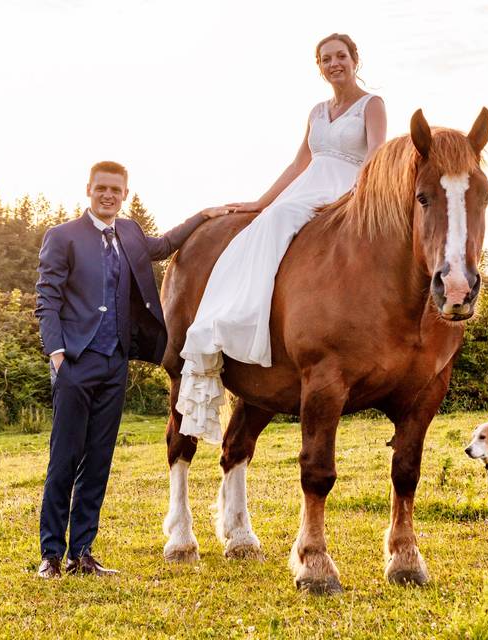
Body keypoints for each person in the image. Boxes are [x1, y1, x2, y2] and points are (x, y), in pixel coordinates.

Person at [176, 33, 387, 444]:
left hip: (349, 188)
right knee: (269, 219)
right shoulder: (317, 111)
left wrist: (354, 198)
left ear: (355, 59)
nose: (334, 64)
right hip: (310, 186)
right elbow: (299, 163)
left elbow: (377, 154)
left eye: (341, 56)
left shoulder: (372, 105)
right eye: (326, 59)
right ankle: (239, 311)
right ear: (319, 66)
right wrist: (259, 202)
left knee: (283, 216)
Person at [34, 161, 229, 578]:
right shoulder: (63, 237)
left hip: (114, 363)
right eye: (102, 188)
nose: (109, 195)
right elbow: (46, 297)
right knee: (64, 459)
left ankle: (81, 554)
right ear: (89, 189)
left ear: (124, 194)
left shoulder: (130, 233)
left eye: (116, 190)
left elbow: (165, 244)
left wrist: (205, 215)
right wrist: (56, 354)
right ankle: (51, 556)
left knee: (99, 460)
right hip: (74, 363)